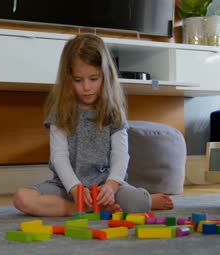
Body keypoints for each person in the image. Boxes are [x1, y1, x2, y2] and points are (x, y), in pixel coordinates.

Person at [13, 34, 174, 217]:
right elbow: (59, 158)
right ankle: (83, 209)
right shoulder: (59, 113)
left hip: (105, 185)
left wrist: (112, 186)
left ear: (105, 76)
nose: (87, 87)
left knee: (137, 203)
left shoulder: (112, 112)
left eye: (94, 79)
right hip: (68, 186)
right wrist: (75, 189)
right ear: (68, 78)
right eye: (78, 80)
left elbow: (120, 155)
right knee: (22, 198)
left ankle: (147, 199)